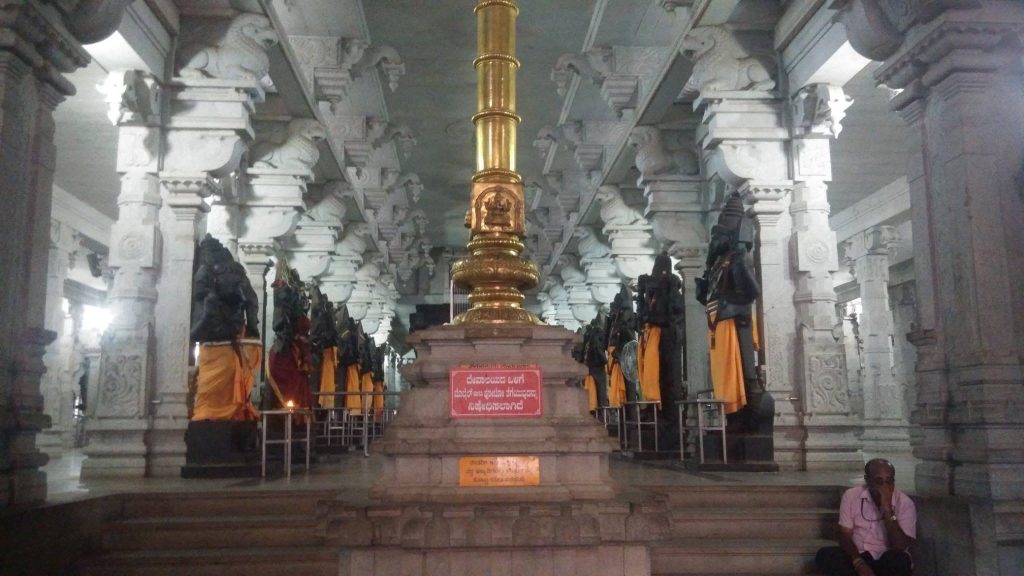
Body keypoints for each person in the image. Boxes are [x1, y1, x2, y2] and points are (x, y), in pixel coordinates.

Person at [816, 459, 916, 576]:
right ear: (867, 480)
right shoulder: (851, 496)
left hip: (885, 558)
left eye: (889, 481)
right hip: (857, 556)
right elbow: (845, 535)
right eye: (879, 482)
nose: (885, 487)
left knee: (900, 560)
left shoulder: (905, 503)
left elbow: (900, 546)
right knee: (826, 555)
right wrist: (859, 563)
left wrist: (888, 510)